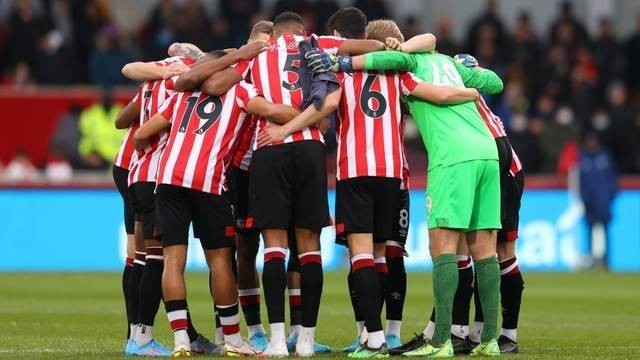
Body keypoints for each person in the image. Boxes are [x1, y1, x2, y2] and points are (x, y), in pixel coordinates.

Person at [261, 22, 483, 358]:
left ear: (363, 44)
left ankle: (373, 337)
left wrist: (285, 130)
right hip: (392, 171)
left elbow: (327, 106)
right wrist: (471, 91)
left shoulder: (343, 73)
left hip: (355, 170)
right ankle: (388, 335)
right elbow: (434, 93)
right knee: (383, 255)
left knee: (361, 255)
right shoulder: (400, 74)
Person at [197, 11, 384, 357]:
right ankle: (308, 340)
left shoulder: (258, 53)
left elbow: (214, 86)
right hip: (311, 147)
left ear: (275, 32)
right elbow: (371, 45)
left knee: (274, 248)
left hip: (270, 148)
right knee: (309, 246)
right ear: (301, 31)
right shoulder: (318, 43)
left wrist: (244, 56)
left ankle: (277, 340)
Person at [306, 38, 504, 357]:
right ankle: (490, 340)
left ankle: (440, 342)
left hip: (452, 158)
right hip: (487, 153)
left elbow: (404, 69)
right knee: (485, 249)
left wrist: (342, 63)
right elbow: (495, 81)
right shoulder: (453, 66)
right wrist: (472, 75)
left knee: (444, 247)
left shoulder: (409, 64)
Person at [133, 47, 300, 357]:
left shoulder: (181, 94)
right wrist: (307, 116)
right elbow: (274, 112)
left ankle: (181, 341)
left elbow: (141, 135)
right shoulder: (241, 90)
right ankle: (234, 341)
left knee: (172, 260)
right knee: (220, 260)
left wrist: (159, 149)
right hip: (207, 183)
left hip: (167, 179)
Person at [579, 132, 617, 269]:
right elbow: (581, 182)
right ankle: (590, 259)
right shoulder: (583, 158)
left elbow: (613, 178)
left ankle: (606, 260)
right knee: (590, 230)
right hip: (589, 203)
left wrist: (610, 197)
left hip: (604, 202)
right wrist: (583, 198)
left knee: (605, 230)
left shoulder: (605, 156)